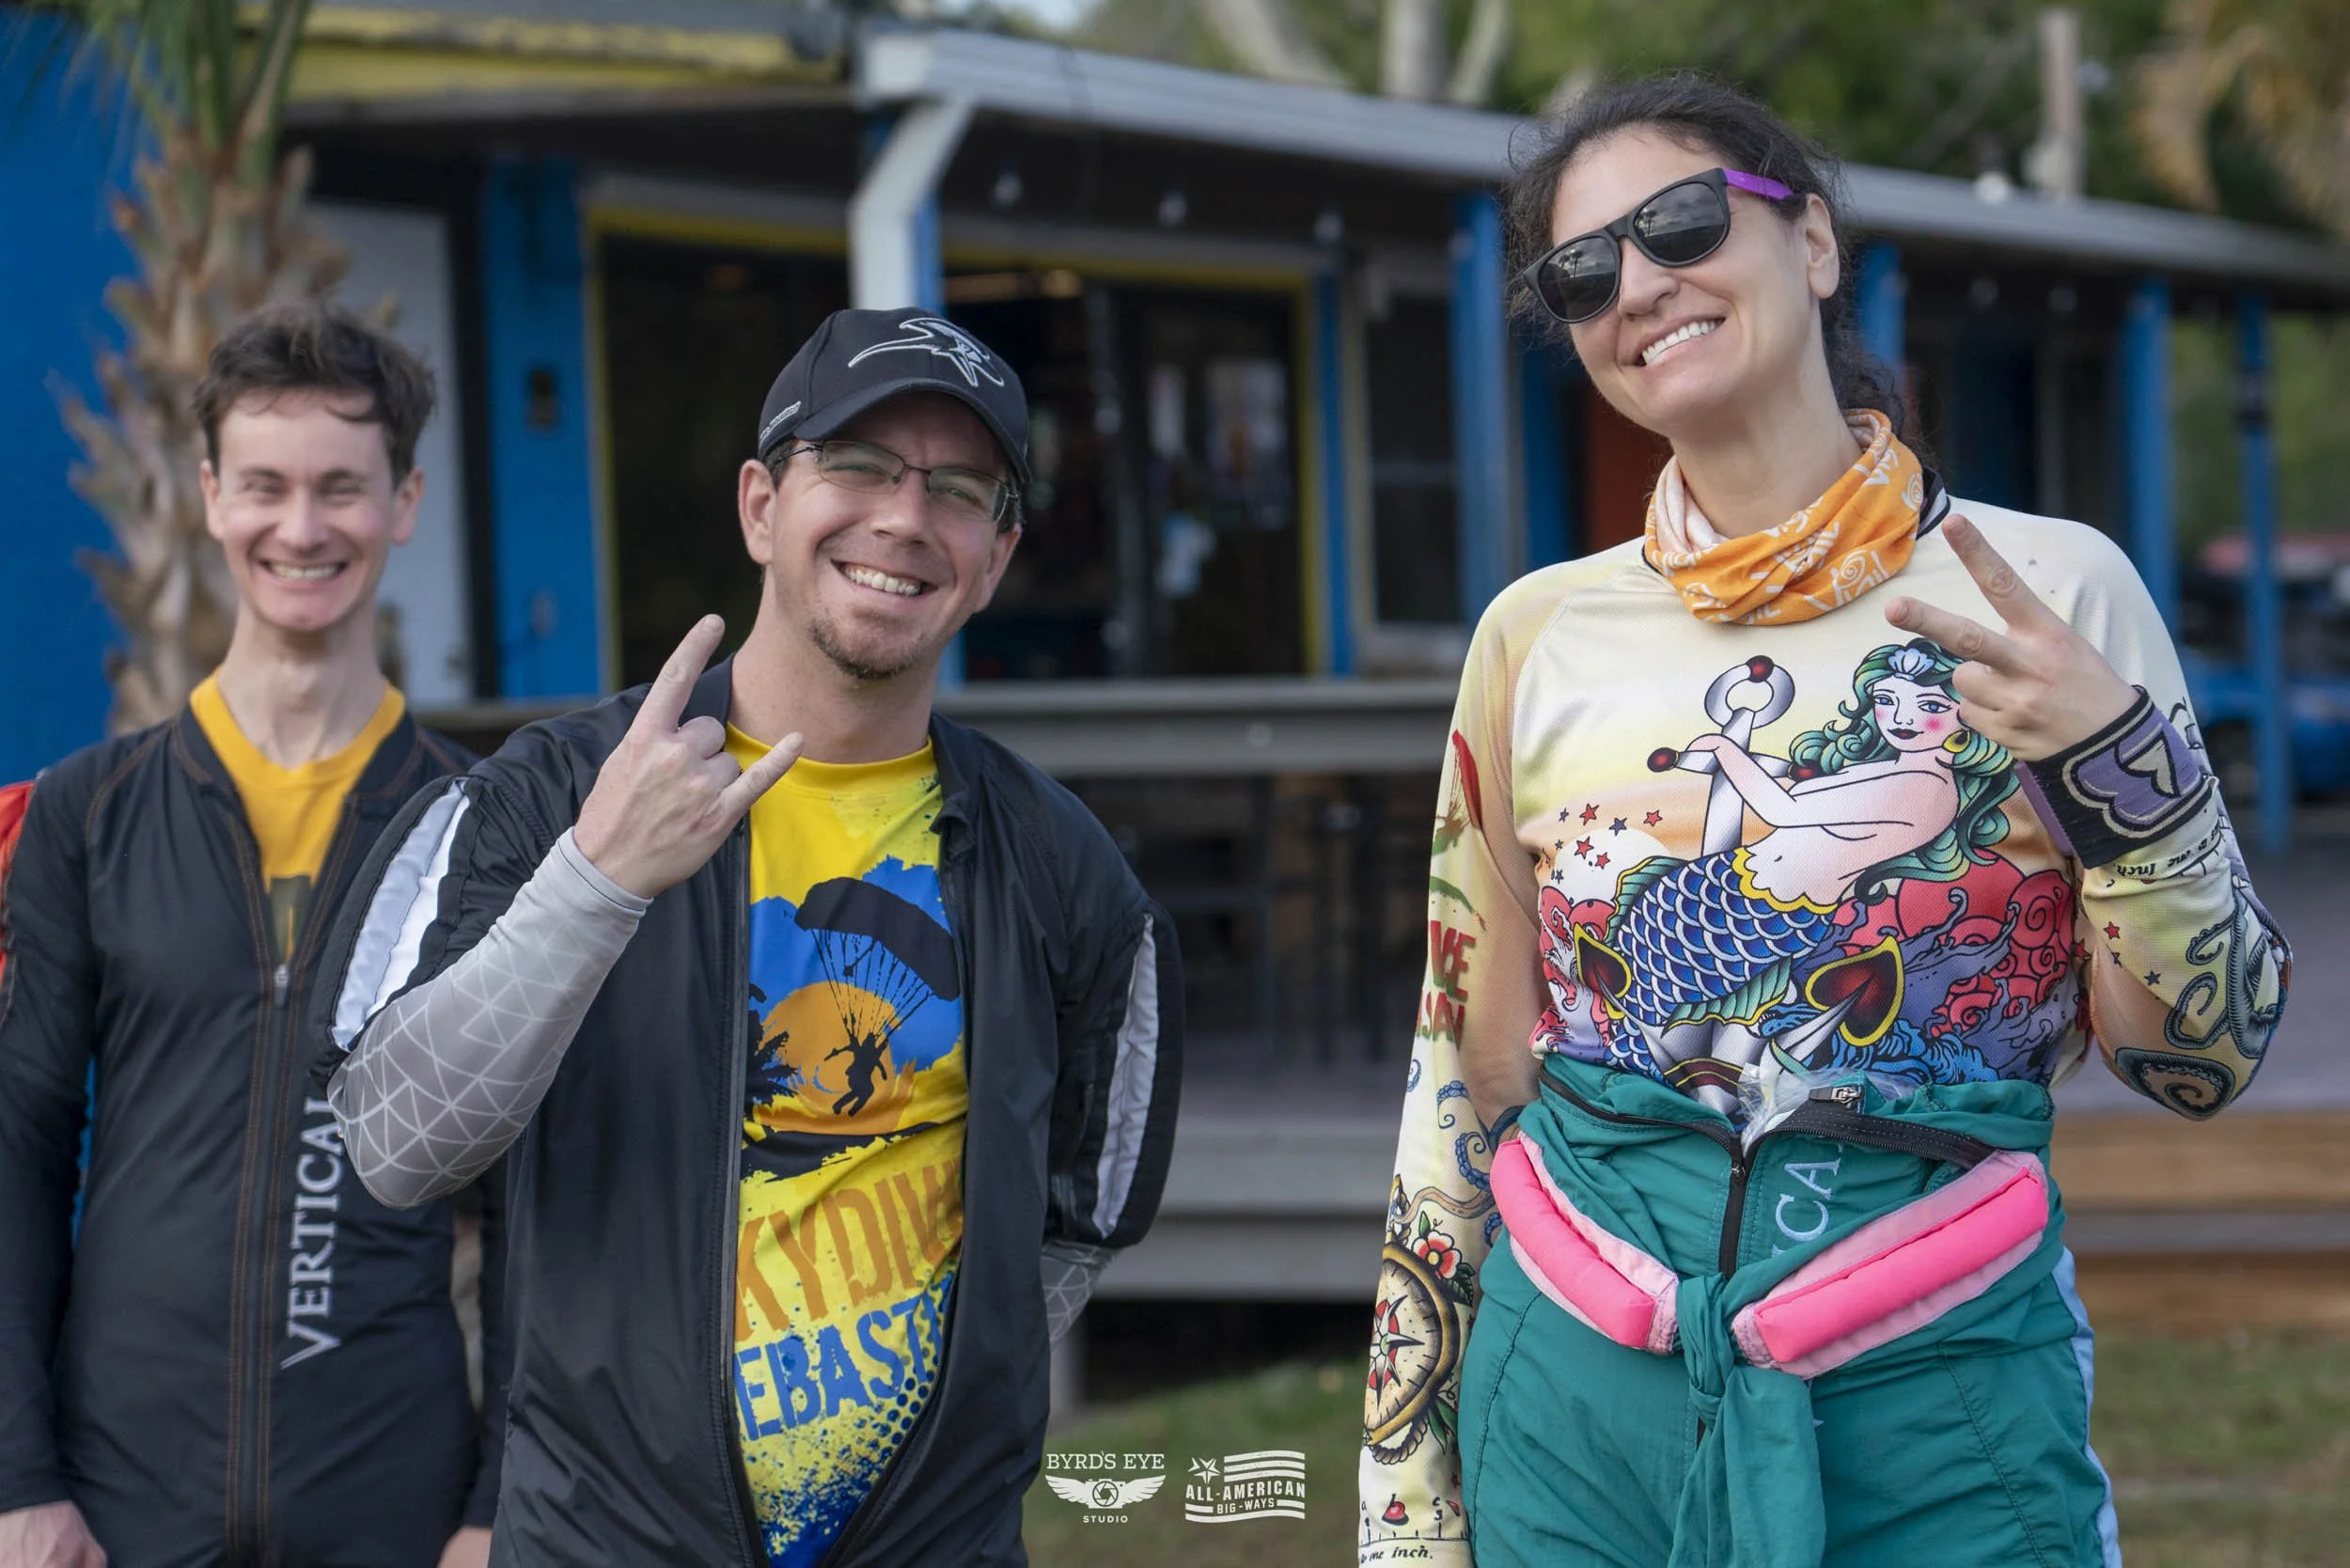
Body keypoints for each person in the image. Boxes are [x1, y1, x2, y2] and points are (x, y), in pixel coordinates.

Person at [1357, 76, 2291, 1568]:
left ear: (1815, 245)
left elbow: (2203, 1061)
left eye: (1678, 223)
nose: (1639, 285)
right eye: (1582, 272)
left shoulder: (2050, 591)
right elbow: (1462, 1072)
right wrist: (1406, 1497)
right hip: (1578, 1388)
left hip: (1936, 1385)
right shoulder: (1533, 635)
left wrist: (2110, 760)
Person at [310, 306, 1184, 1565]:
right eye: (862, 467)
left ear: (994, 559)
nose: (903, 517)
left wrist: (927, 1428)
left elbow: (1083, 1213)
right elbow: (391, 1147)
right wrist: (596, 884)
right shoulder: (547, 798)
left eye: (956, 489)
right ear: (763, 505)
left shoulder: (1065, 870)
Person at [0, 306, 504, 1568]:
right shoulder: (86, 818)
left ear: (404, 501)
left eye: (342, 487)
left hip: (393, 1499)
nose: (302, 527)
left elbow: (538, 1212)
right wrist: (17, 1479)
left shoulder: (480, 830)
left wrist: (500, 1508)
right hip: (122, 1507)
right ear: (212, 495)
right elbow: (16, 1154)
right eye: (267, 486)